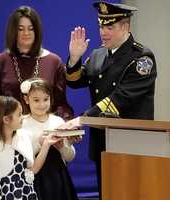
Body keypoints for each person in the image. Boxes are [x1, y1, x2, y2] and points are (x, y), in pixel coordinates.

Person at [64, 1, 157, 198]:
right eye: (101, 26)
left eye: (110, 27)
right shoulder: (98, 54)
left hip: (132, 143)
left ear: (126, 27)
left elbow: (119, 99)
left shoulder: (141, 58)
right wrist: (74, 58)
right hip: (103, 142)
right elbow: (75, 81)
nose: (103, 32)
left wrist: (82, 119)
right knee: (107, 194)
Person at [0, 5, 73, 120]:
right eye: (20, 29)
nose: (26, 33)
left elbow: (60, 104)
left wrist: (67, 125)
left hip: (46, 132)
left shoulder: (54, 61)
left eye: (31, 28)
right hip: (11, 131)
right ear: (13, 32)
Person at [0, 95, 63, 199]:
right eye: (19, 115)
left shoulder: (23, 136)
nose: (23, 117)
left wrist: (46, 144)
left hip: (26, 193)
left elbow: (33, 169)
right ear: (6, 119)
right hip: (4, 195)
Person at [20, 78, 79, 200]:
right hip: (35, 178)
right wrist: (40, 144)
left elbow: (69, 157)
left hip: (58, 177)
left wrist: (62, 147)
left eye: (46, 99)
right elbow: (21, 159)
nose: (42, 105)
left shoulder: (58, 121)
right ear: (26, 99)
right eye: (36, 100)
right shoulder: (22, 124)